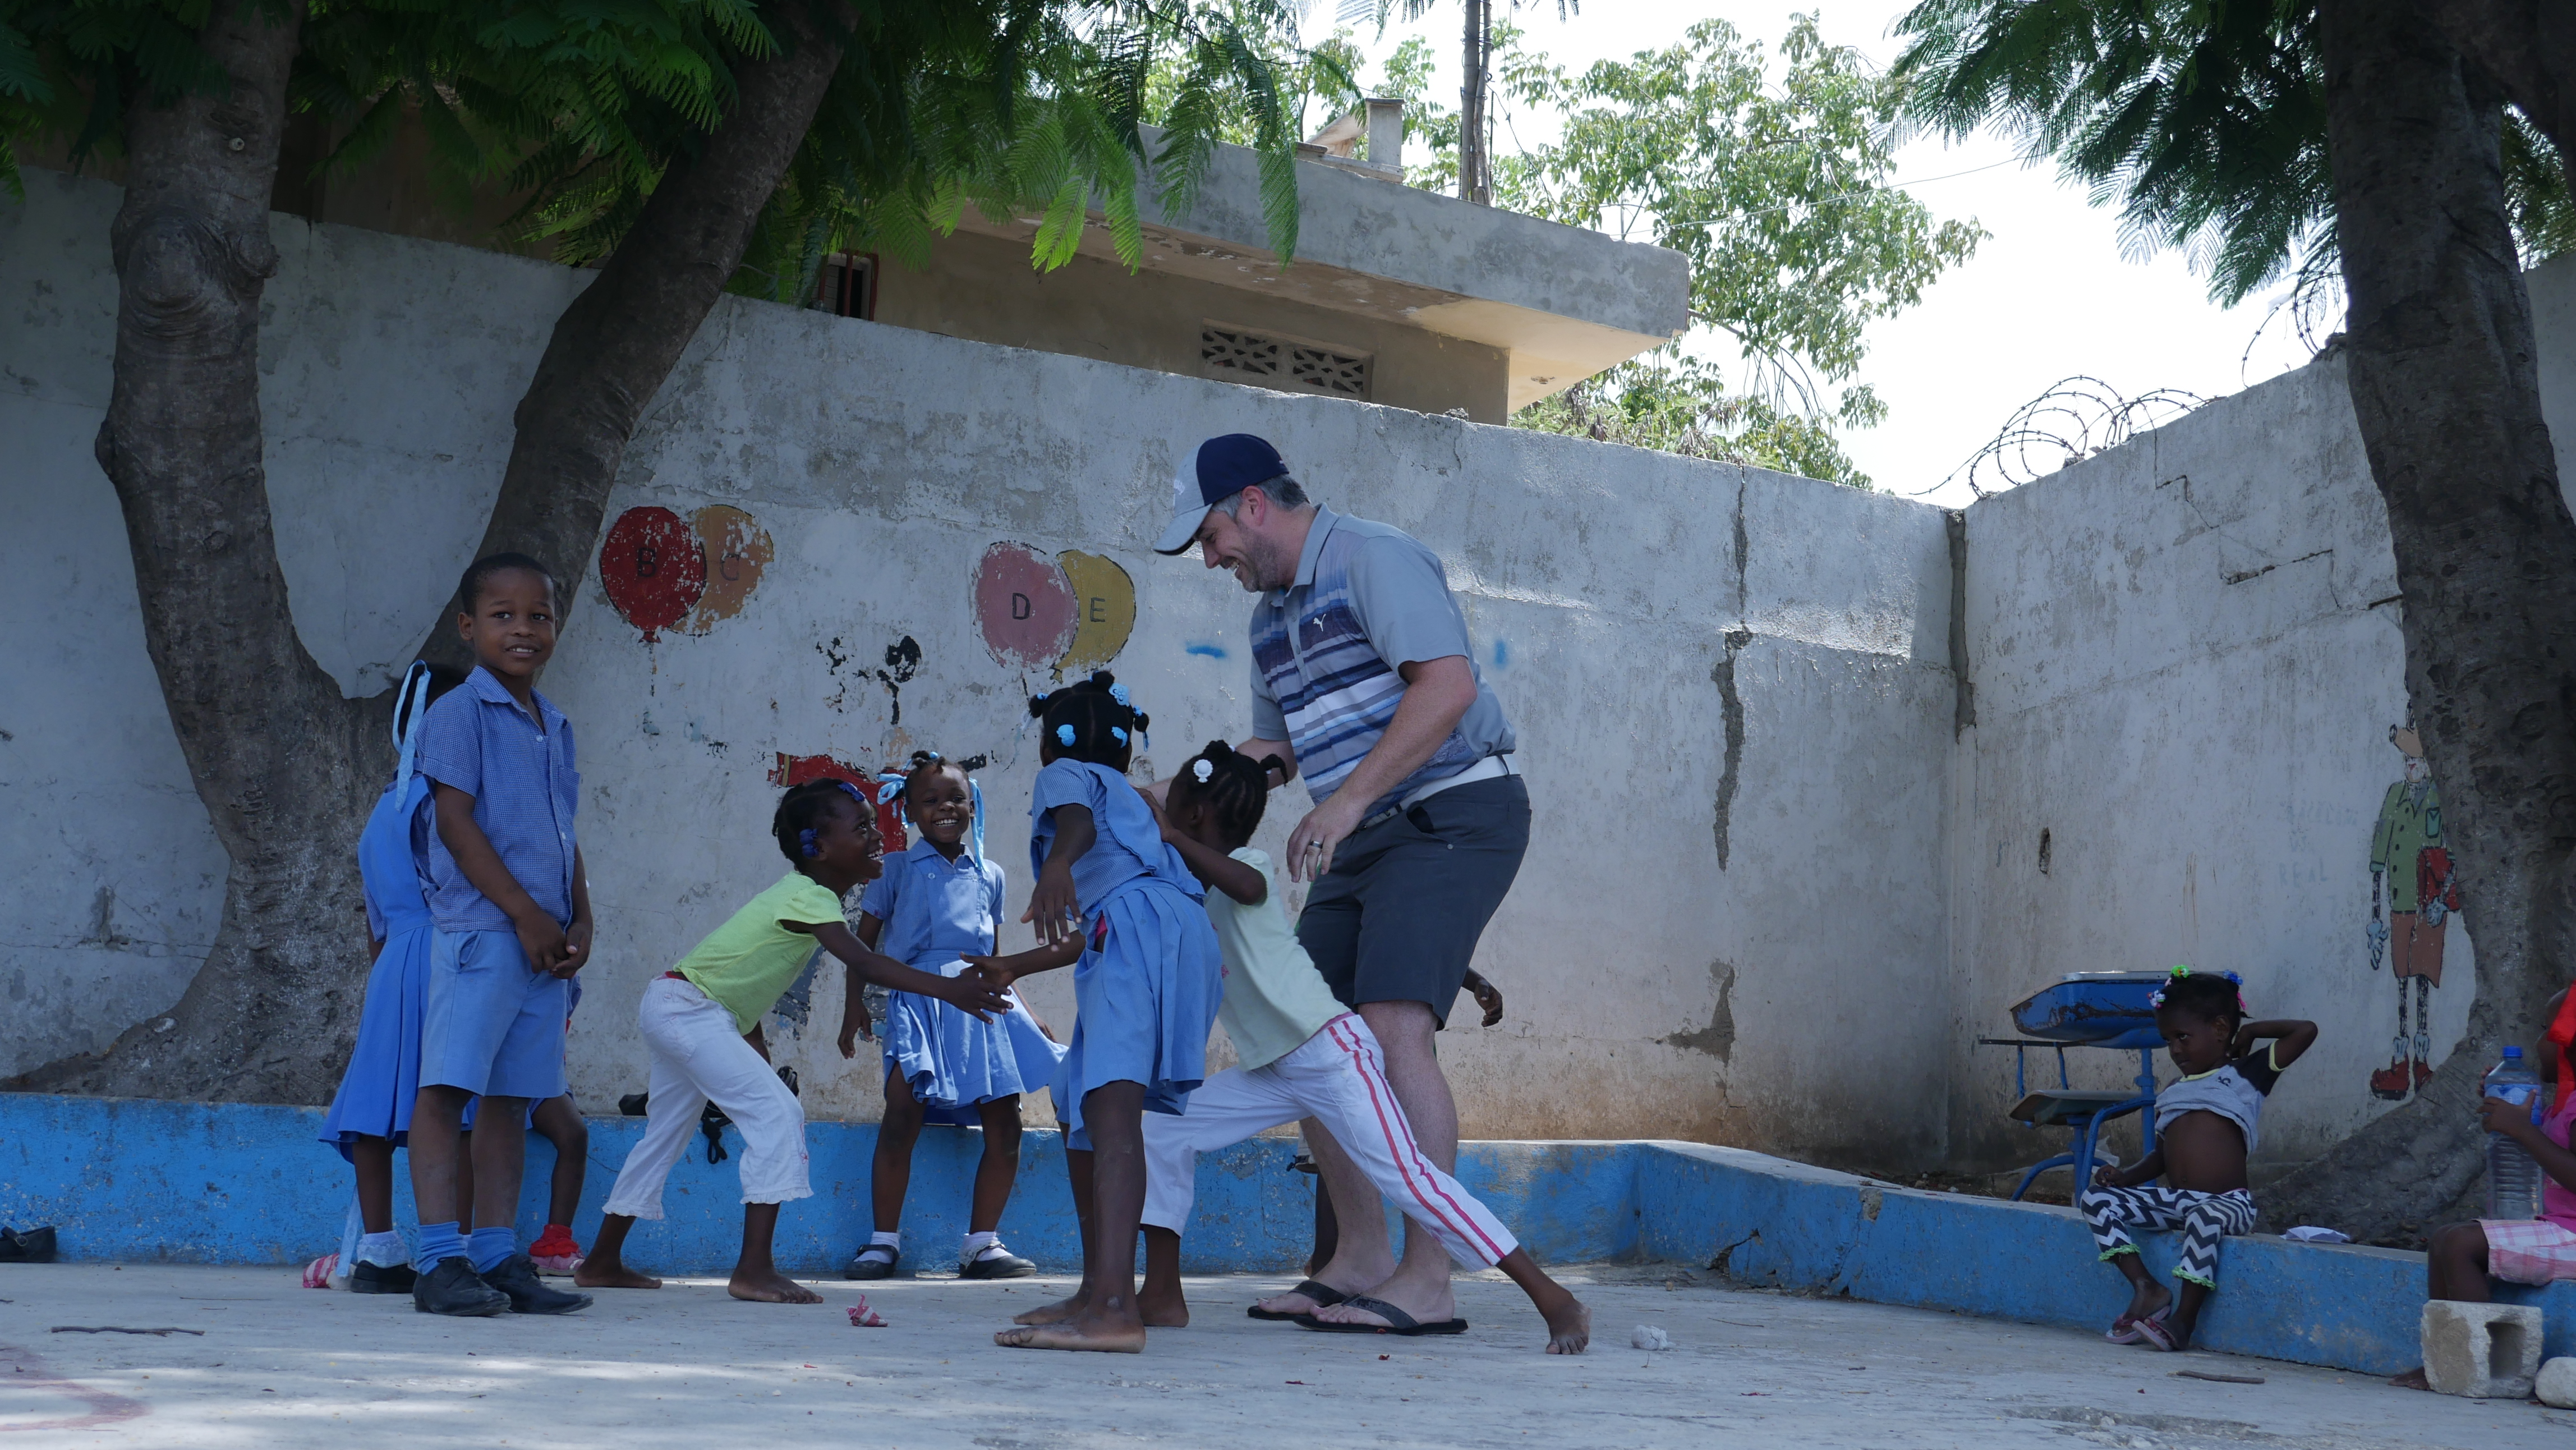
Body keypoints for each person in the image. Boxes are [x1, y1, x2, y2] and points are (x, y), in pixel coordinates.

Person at [1153, 433, 1529, 1333]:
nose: (1211, 560)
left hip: (1450, 813)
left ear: (1250, 504)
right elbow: (1270, 752)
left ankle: (1429, 1275)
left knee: (1395, 1028)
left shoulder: (1375, 558)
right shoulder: (1267, 620)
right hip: (1363, 830)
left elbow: (1445, 689)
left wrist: (1348, 803)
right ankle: (1358, 1257)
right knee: (1306, 1035)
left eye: (1210, 538)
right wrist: (1165, 801)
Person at [1133, 741, 1590, 1352]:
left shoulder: (1250, 866)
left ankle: (1553, 1299)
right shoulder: (1189, 887)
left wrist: (1167, 832)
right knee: (1161, 1128)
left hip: (1330, 1056)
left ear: (1188, 820)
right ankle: (1161, 1291)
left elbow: (1241, 883)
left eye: (1174, 814)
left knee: (1413, 1182)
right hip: (1277, 1071)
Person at [577, 779, 1013, 1302]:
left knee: (664, 1136)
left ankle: (601, 1262)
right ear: (820, 848)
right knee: (779, 1116)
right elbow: (866, 961)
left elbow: (739, 977)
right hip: (691, 1012)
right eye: (862, 828)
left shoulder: (803, 897)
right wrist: (951, 990)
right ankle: (754, 1270)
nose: (878, 836)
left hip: (683, 1005)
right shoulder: (809, 898)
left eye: (875, 824)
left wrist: (752, 1045)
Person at [967, 673, 1224, 1353]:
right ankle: (1095, 1288)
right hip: (1170, 934)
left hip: (1133, 937)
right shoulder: (1134, 797)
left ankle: (1113, 1305)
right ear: (1125, 746)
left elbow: (1076, 830)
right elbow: (1117, 910)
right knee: (1082, 1108)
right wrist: (1016, 965)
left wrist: (1056, 865)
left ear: (1050, 743)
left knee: (1111, 1120)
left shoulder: (1064, 778)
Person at [404, 552, 597, 1318]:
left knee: (513, 1100)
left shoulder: (557, 725)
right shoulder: (456, 715)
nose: (523, 629)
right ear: (468, 627)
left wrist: (580, 916)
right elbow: (455, 823)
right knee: (448, 1089)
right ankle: (438, 1261)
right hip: (485, 933)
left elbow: (563, 832)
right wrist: (523, 912)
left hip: (545, 946)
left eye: (538, 616)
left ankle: (495, 1254)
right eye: (503, 615)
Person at [839, 752, 1064, 1282]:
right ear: (912, 812)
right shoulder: (893, 869)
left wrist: (1028, 1015)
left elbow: (997, 955)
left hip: (985, 1007)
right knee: (901, 1115)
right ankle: (883, 1242)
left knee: (1005, 1123)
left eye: (956, 798)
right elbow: (862, 949)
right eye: (931, 800)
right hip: (920, 1003)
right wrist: (854, 1006)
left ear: (973, 804)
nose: (945, 808)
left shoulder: (992, 874)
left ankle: (982, 1245)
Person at [318, 660, 464, 1293]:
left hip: (393, 961)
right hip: (449, 954)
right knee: (457, 1102)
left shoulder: (381, 810)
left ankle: (378, 1249)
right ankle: (455, 1246)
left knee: (375, 1103)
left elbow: (373, 916)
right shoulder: (447, 805)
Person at [2079, 968, 2316, 1351]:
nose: (2175, 1050)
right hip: (2179, 1203)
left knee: (2204, 1217)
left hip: (2227, 1205)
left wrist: (2252, 1033)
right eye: (2168, 1040)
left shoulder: (2246, 1075)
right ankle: (2147, 1289)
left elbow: (2305, 1031)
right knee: (2095, 1199)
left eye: (2183, 1037)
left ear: (2221, 1029)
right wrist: (2124, 1178)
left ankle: (2184, 1322)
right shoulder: (2172, 1092)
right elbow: (2161, 1157)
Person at [2394, 988, 2576, 1387]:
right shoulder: (2565, 1103)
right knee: (2445, 1238)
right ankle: (2444, 1360)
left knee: (2461, 1244)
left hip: (2572, 1235)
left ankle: (2474, 1366)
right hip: (2562, 1229)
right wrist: (2508, 1105)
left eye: (2547, 1030)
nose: (2538, 1041)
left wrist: (2523, 1128)